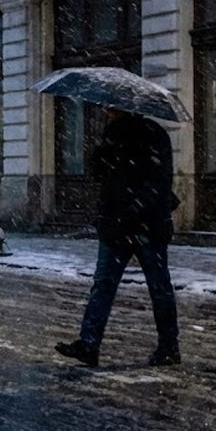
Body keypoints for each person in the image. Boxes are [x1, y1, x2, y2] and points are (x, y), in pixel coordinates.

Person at [55, 108, 181, 368]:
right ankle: (89, 344)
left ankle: (169, 347)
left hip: (148, 225)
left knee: (159, 287)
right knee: (103, 284)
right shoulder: (111, 134)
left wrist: (134, 209)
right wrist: (102, 150)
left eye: (111, 108)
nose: (105, 111)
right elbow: (99, 173)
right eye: (105, 108)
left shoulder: (153, 134)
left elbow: (159, 181)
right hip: (116, 226)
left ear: (126, 107)